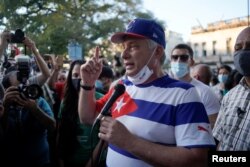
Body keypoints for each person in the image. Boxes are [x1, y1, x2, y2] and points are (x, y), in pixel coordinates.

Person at [78, 18, 215, 167]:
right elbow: (88, 117)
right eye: (124, 47)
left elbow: (197, 160)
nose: (123, 55)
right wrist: (87, 84)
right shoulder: (121, 87)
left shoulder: (184, 94)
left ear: (157, 51)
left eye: (133, 47)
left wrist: (129, 142)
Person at [0, 70, 56, 167]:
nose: (23, 93)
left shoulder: (38, 101)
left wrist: (35, 109)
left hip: (40, 161)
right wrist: (6, 107)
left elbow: (52, 126)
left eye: (25, 88)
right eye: (18, 89)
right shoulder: (3, 105)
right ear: (7, 90)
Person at [57, 60, 106, 167]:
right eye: (75, 75)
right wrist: (61, 161)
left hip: (96, 161)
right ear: (69, 78)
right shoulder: (65, 102)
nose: (79, 79)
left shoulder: (102, 100)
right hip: (71, 160)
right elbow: (61, 134)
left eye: (82, 74)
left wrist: (90, 163)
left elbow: (104, 140)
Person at [212, 27, 250, 151]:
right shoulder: (230, 96)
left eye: (249, 46)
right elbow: (220, 140)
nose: (243, 52)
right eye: (238, 48)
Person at [170, 44, 220, 129]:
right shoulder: (164, 88)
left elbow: (213, 125)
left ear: (192, 62)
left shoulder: (205, 92)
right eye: (175, 57)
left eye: (184, 58)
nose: (178, 61)